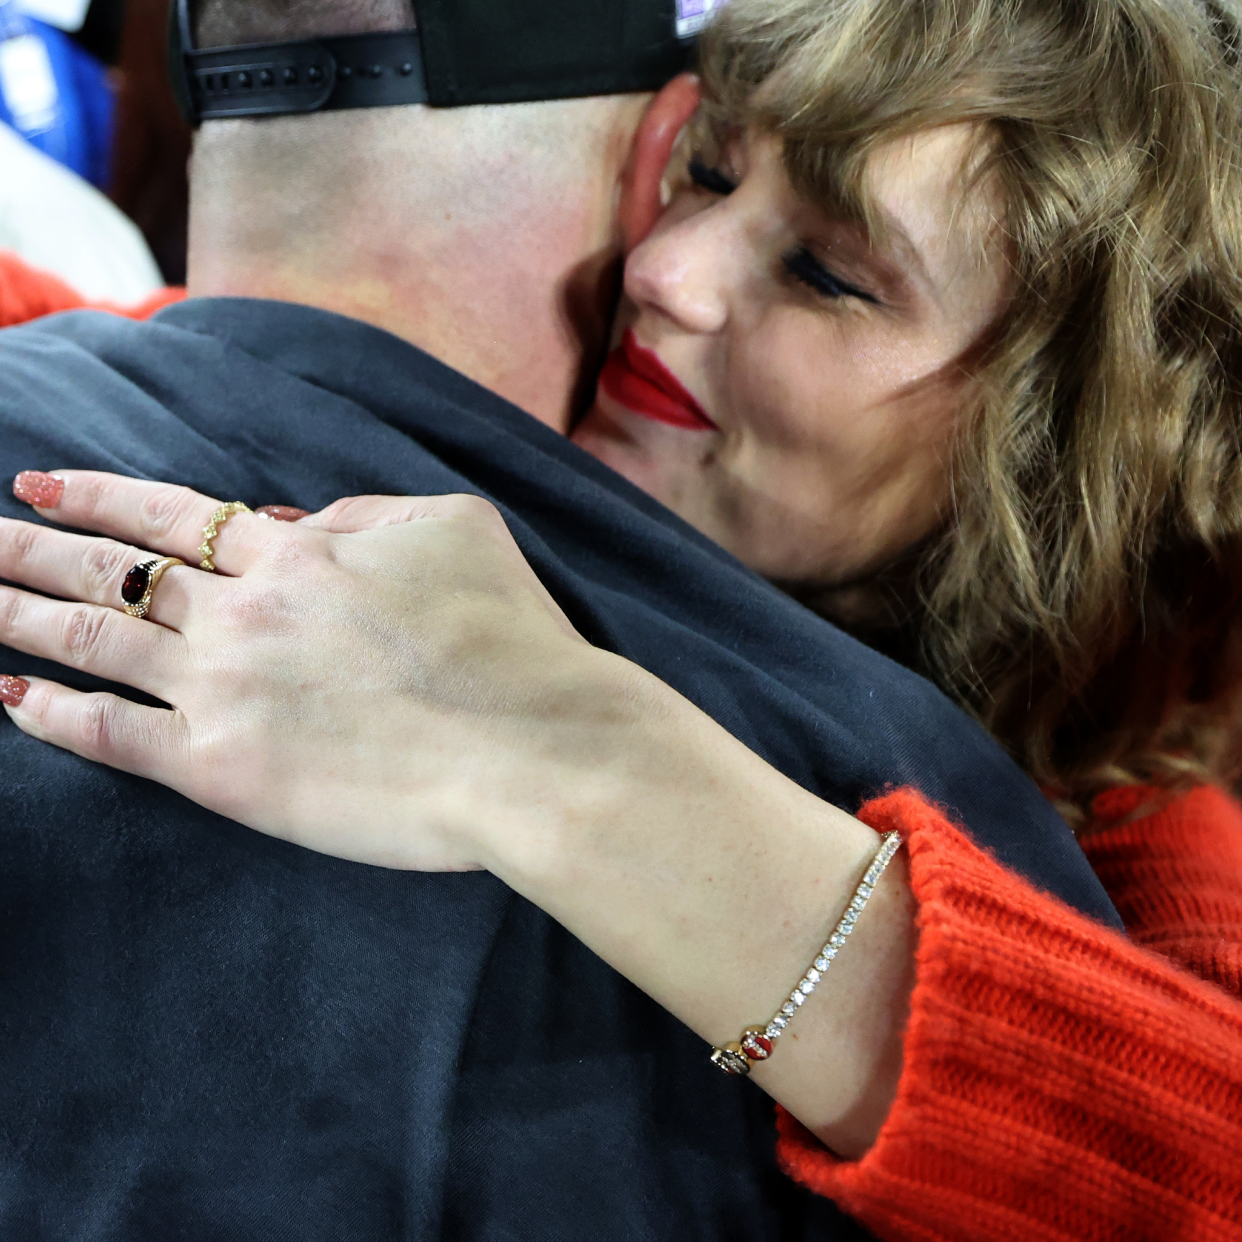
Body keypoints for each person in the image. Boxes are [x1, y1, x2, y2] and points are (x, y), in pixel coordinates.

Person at [3, 0, 1240, 1236]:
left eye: (826, 273)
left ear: (1061, 455)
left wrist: (562, 756)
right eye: (707, 173)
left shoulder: (1135, 839)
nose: (664, 271)